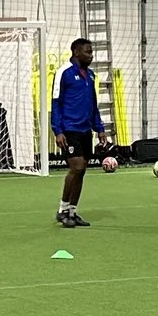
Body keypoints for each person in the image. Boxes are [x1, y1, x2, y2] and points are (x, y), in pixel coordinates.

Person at [50, 36, 108, 228]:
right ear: (76, 52)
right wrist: (57, 130)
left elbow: (93, 105)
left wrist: (99, 129)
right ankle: (62, 210)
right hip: (69, 129)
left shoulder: (91, 76)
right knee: (77, 167)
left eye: (91, 52)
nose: (91, 55)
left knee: (81, 172)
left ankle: (72, 212)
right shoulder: (63, 73)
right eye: (88, 51)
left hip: (85, 130)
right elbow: (56, 102)